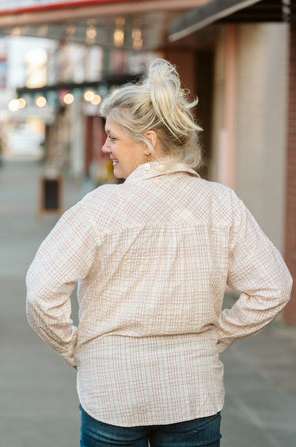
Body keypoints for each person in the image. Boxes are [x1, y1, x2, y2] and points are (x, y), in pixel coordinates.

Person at [26, 58, 292, 447]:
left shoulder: (99, 208)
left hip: (112, 393)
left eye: (113, 138)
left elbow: (41, 293)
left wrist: (73, 346)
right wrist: (220, 335)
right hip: (192, 391)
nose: (105, 147)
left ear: (148, 142)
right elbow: (274, 287)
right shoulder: (221, 203)